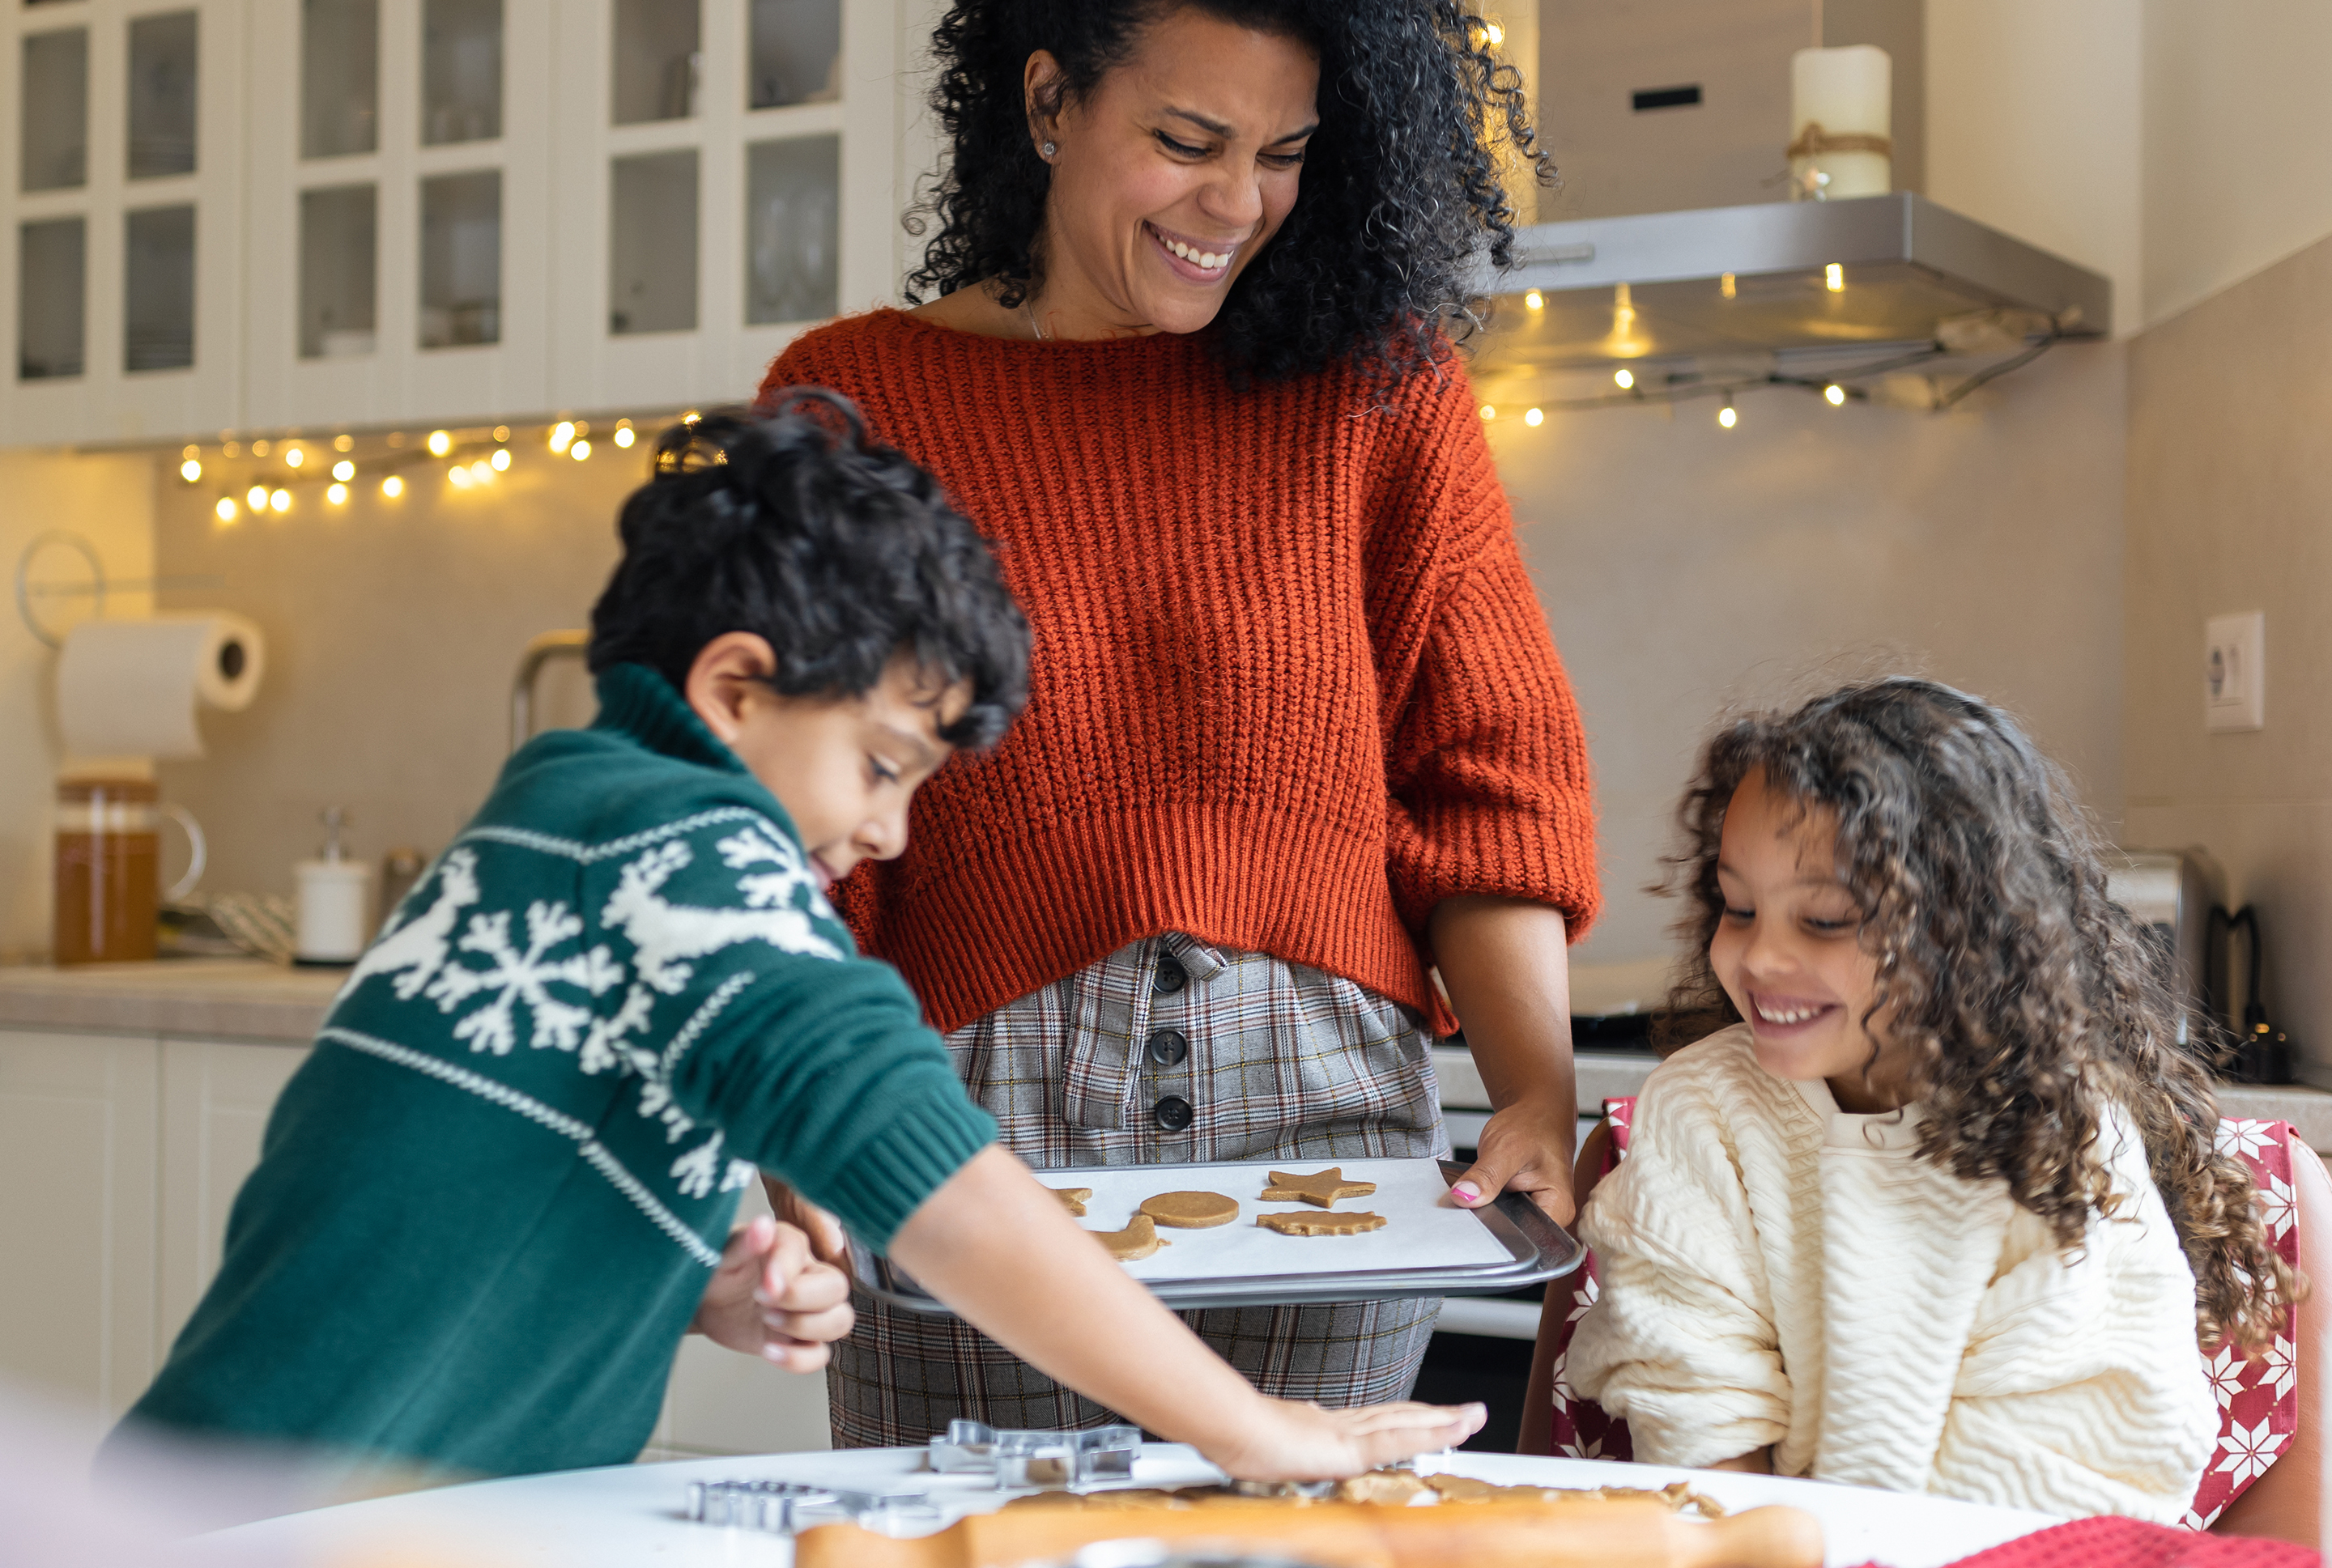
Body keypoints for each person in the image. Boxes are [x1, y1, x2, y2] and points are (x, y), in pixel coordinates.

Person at [108, 396, 1483, 1487]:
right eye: (882, 766)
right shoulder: (686, 850)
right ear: (736, 689)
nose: (888, 834)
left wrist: (677, 1281)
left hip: (232, 1495)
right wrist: (1251, 1427)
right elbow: (929, 1164)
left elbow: (464, 1192)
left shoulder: (562, 808)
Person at [758, 0, 1598, 1447]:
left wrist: (1535, 1086)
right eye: (1187, 141)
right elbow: (774, 826)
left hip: (1326, 1143)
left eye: (1283, 153)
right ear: (1045, 103)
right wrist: (795, 1110)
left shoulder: (1379, 387)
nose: (1238, 203)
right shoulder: (851, 404)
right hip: (968, 1138)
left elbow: (1484, 766)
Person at [1566, 678, 2296, 1521]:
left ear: (1965, 931)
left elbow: (2087, 1448)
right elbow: (1692, 1403)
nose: (1759, 954)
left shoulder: (2066, 1129)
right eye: (1739, 906)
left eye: (1827, 918)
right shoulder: (1699, 1111)